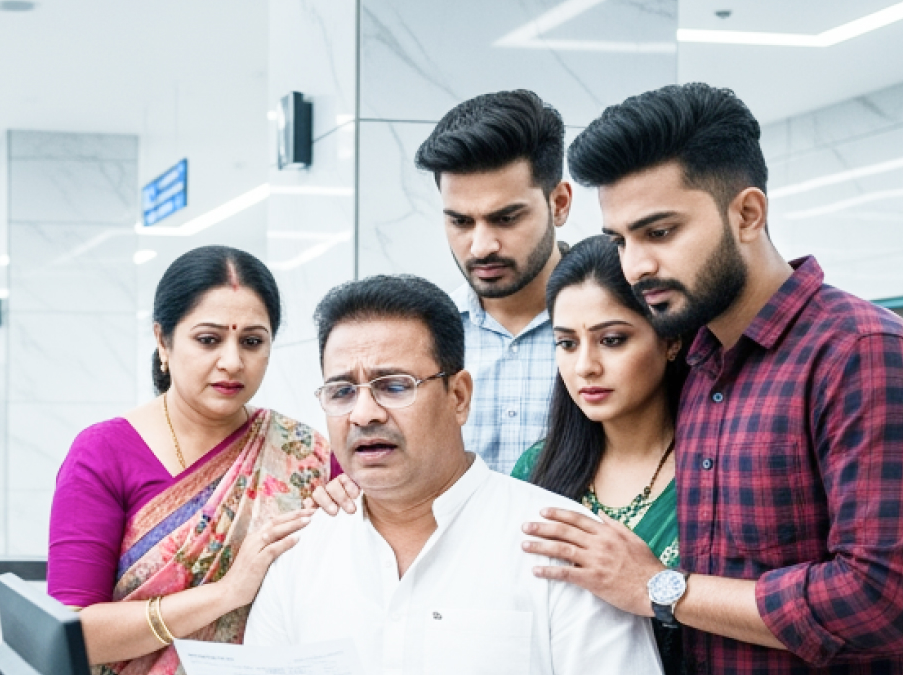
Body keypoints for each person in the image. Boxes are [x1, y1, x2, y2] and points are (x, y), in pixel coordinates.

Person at [522, 83, 903, 674]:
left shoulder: (865, 355)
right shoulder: (700, 363)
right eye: (621, 240)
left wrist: (659, 587)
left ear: (747, 214)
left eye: (660, 232)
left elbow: (887, 603)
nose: (636, 266)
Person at [244, 275, 662, 675]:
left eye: (394, 386)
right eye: (342, 392)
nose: (364, 414)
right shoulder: (299, 555)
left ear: (459, 397)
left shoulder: (562, 546)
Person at [49, 246, 331, 673]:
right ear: (163, 340)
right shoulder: (103, 454)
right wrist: (225, 593)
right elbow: (72, 633)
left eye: (252, 342)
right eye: (209, 340)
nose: (232, 362)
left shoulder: (306, 453)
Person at [510, 234, 687, 673]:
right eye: (567, 343)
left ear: (670, 340)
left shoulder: (713, 469)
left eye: (611, 340)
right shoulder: (535, 468)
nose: (585, 366)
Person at [412, 89, 573, 474]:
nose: (482, 246)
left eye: (506, 218)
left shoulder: (624, 328)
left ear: (559, 204)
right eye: (461, 222)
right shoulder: (424, 337)